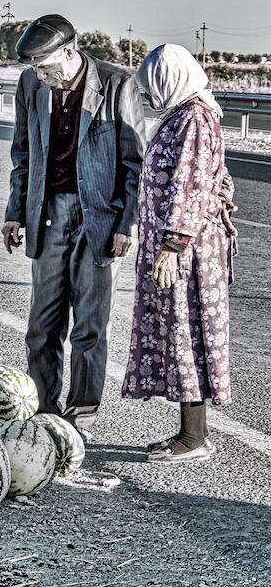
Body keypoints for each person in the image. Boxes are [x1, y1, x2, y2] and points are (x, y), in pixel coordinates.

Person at [2, 14, 146, 440]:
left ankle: (80, 417)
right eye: (35, 70)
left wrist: (128, 222)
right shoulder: (31, 86)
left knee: (89, 325)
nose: (41, 77)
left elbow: (137, 162)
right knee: (42, 326)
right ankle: (44, 413)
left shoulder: (118, 84)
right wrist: (14, 211)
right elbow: (22, 152)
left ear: (69, 52)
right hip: (47, 214)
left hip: (100, 217)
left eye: (46, 67)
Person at [121, 43, 236, 463]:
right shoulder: (186, 114)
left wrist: (172, 246)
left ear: (170, 80)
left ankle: (194, 438)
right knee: (178, 333)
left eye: (152, 87)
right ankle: (191, 433)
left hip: (186, 252)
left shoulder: (194, 118)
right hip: (178, 245)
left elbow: (190, 185)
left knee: (187, 334)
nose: (149, 97)